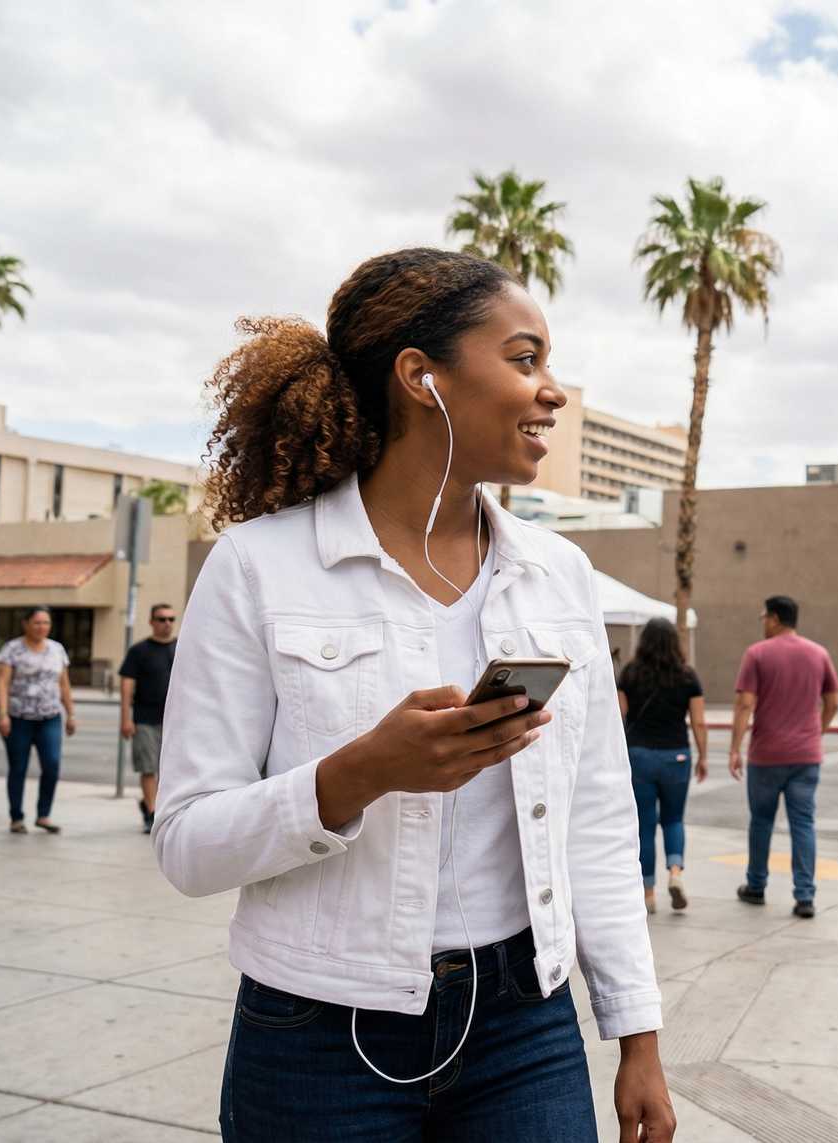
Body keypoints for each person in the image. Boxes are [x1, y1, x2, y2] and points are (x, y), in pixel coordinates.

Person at [152, 249, 673, 1142]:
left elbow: (596, 815)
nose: (552, 390)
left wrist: (637, 1033)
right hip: (315, 1032)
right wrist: (359, 773)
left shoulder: (560, 576)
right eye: (523, 359)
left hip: (527, 1027)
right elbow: (188, 842)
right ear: (420, 377)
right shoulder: (259, 567)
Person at [729, 595, 838, 919]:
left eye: (764, 616)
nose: (762, 622)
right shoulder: (819, 654)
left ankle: (756, 885)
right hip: (806, 756)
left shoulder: (756, 654)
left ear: (775, 618)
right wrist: (817, 732)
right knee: (803, 824)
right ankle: (805, 896)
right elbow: (833, 701)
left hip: (766, 755)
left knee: (761, 821)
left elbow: (745, 704)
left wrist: (735, 747)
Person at [617, 617, 708, 915]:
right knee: (673, 819)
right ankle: (676, 873)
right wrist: (703, 756)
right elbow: (698, 721)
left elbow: (618, 718)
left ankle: (648, 893)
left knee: (643, 825)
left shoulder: (630, 674)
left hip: (639, 755)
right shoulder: (687, 676)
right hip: (676, 756)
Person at [0, 606, 76, 834]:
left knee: (51, 765)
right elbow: (2, 683)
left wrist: (71, 714)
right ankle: (16, 817)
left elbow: (64, 684)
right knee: (18, 768)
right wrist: (2, 714)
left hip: (50, 717)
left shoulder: (57, 649)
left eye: (46, 623)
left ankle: (44, 815)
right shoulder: (11, 650)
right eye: (37, 623)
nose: (42, 627)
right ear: (26, 624)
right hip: (19, 717)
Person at [118, 602, 178, 834]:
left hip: (176, 721)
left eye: (171, 619)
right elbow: (126, 685)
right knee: (148, 767)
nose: (167, 624)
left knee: (172, 769)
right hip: (145, 718)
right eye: (162, 619)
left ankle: (164, 810)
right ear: (152, 622)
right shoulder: (139, 651)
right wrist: (126, 718)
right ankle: (151, 812)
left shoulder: (182, 648)